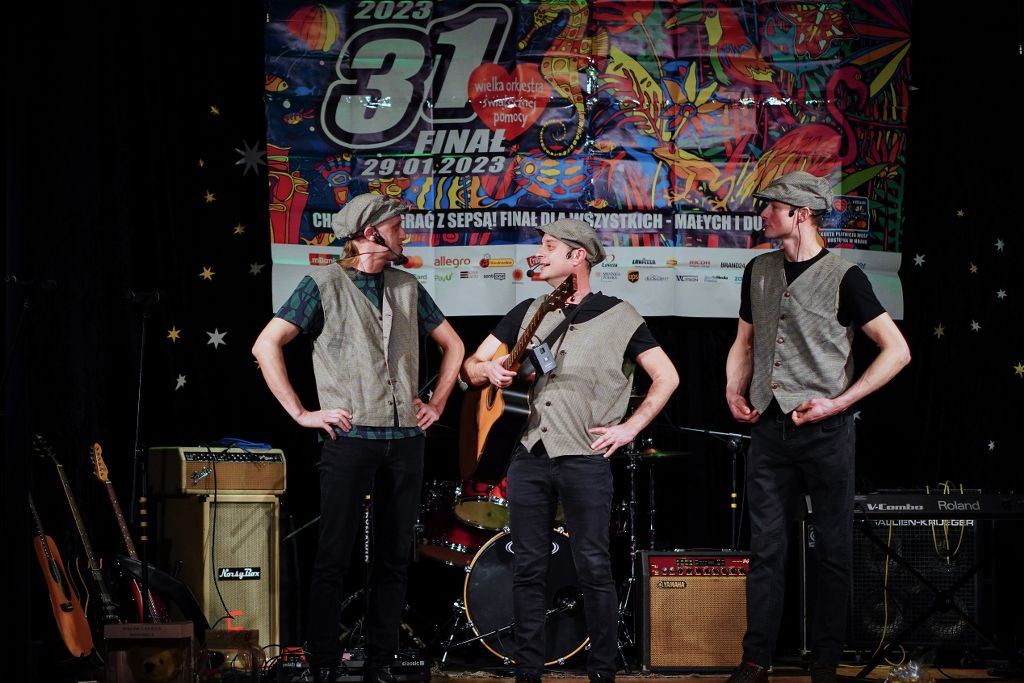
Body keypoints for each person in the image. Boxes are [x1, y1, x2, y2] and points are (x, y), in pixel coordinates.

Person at [252, 193, 464, 683]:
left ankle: (381, 661)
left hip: (406, 439)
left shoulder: (407, 286)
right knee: (333, 553)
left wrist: (437, 403)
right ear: (371, 233)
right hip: (350, 438)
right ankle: (324, 661)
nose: (405, 234)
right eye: (398, 226)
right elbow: (266, 344)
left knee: (394, 557)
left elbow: (453, 346)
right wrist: (301, 413)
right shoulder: (322, 283)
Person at [461, 218, 679, 683]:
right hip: (529, 455)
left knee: (594, 566)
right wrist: (489, 371)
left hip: (585, 457)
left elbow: (667, 376)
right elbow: (471, 366)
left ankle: (602, 671)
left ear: (578, 256)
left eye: (549, 246)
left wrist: (630, 428)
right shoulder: (527, 311)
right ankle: (528, 671)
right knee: (528, 568)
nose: (538, 254)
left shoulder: (620, 315)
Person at [724, 171, 911, 683]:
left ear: (801, 214)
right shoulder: (758, 269)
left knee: (831, 549)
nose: (763, 215)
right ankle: (755, 659)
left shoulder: (845, 276)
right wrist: (734, 389)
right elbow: (744, 341)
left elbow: (897, 351)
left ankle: (825, 661)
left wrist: (839, 404)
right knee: (765, 549)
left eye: (772, 207)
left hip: (826, 433)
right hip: (769, 429)